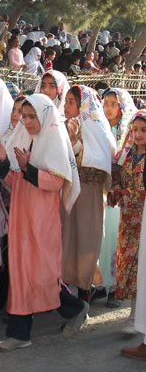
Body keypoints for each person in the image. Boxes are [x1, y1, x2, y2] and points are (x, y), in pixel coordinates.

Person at [0, 94, 88, 351]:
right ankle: (19, 334)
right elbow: (13, 182)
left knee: (42, 275)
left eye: (32, 117)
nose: (28, 121)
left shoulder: (52, 142)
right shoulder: (21, 140)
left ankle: (75, 308)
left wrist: (28, 169)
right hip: (22, 217)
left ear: (44, 116)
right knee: (21, 273)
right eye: (25, 116)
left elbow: (57, 182)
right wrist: (3, 162)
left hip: (42, 221)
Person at [62, 86, 116, 300]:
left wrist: (75, 142)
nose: (66, 106)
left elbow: (99, 161)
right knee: (68, 239)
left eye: (71, 102)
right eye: (65, 101)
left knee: (85, 240)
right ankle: (68, 295)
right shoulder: (65, 124)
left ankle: (84, 294)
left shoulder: (95, 127)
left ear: (83, 105)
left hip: (88, 194)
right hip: (69, 193)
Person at [99, 88, 137, 307]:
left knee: (115, 237)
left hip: (120, 193)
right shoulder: (101, 128)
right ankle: (101, 282)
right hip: (102, 190)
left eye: (113, 103)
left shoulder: (129, 133)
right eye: (106, 103)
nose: (108, 108)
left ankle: (115, 285)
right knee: (102, 238)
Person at [109, 111, 146, 335]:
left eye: (144, 130)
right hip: (128, 223)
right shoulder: (126, 156)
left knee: (142, 268)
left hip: (144, 222)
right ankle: (133, 315)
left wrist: (126, 193)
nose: (139, 134)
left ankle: (136, 318)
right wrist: (115, 191)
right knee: (131, 267)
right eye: (135, 130)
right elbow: (116, 176)